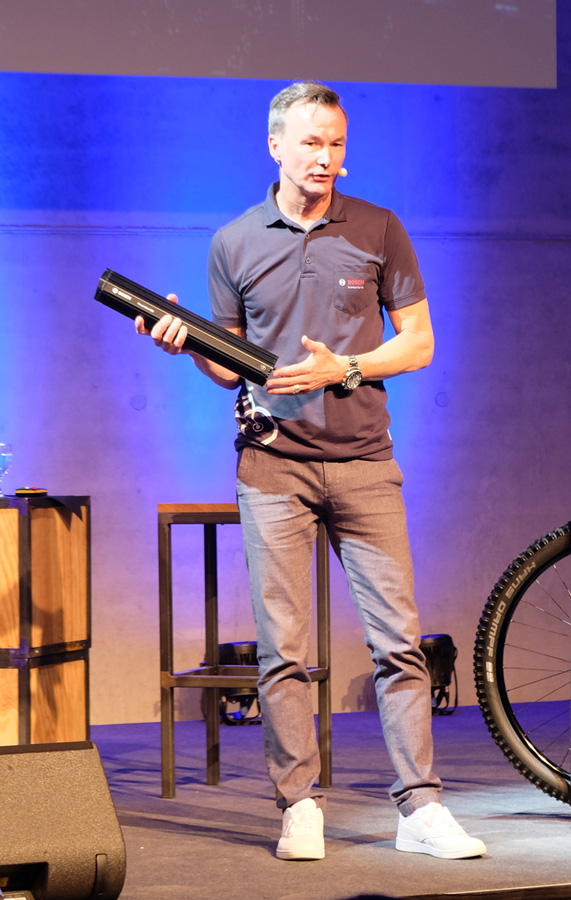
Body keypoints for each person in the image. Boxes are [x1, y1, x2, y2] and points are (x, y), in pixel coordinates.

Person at [136, 81, 487, 863]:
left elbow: (418, 342)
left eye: (335, 144)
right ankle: (298, 804)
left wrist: (344, 367)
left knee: (397, 643)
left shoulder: (378, 227)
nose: (325, 157)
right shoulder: (234, 242)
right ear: (275, 146)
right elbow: (229, 367)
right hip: (272, 469)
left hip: (364, 464)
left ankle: (420, 807)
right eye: (310, 142)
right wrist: (186, 345)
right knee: (282, 650)